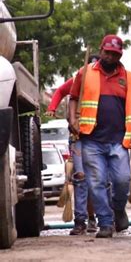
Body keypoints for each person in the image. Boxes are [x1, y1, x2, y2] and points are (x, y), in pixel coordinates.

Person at [68, 35, 131, 238]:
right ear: (101, 50)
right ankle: (106, 223)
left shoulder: (129, 78)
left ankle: (118, 209)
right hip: (91, 139)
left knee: (122, 180)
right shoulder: (85, 73)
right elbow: (73, 98)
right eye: (107, 52)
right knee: (96, 182)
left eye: (115, 54)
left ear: (120, 55)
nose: (110, 56)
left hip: (118, 140)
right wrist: (72, 118)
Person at [45, 55, 102, 235]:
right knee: (80, 178)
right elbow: (61, 91)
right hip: (78, 139)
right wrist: (53, 108)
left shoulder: (107, 83)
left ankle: (101, 218)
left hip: (101, 140)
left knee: (100, 181)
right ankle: (80, 221)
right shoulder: (79, 79)